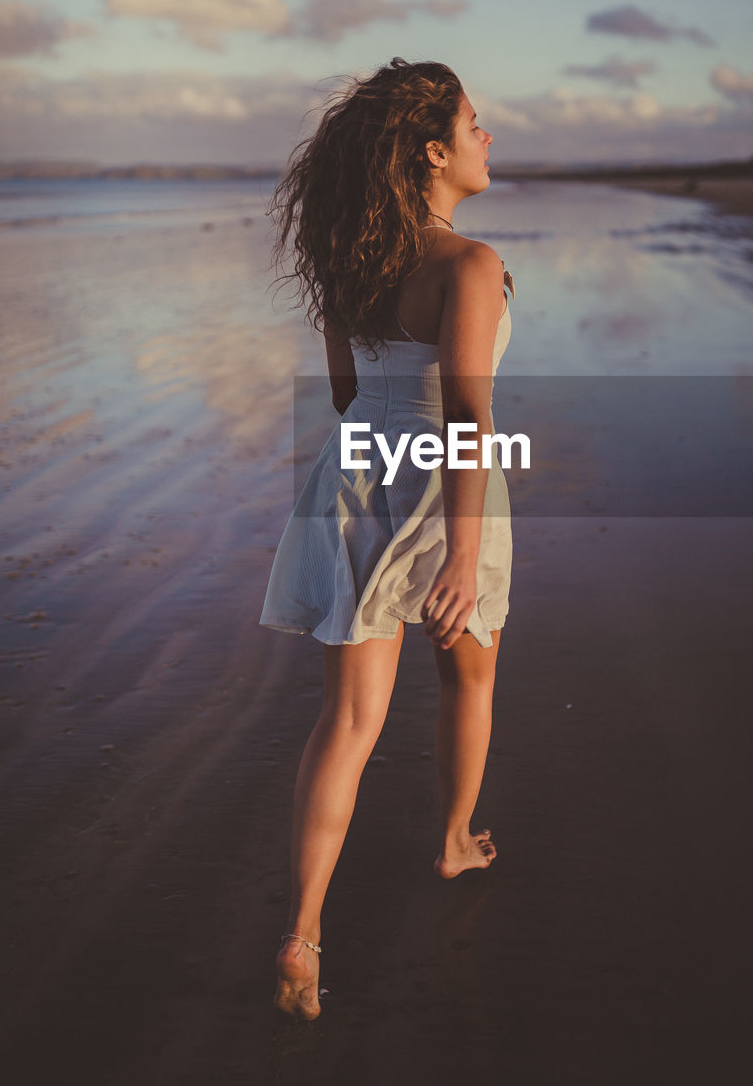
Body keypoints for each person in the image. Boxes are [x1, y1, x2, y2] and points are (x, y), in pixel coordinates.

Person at [259, 57, 514, 1020]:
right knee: (471, 673)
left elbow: (342, 396)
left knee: (349, 722)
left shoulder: (348, 260)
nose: (489, 137)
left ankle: (304, 930)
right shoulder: (471, 264)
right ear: (433, 152)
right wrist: (457, 548)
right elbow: (467, 420)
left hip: (350, 479)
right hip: (446, 496)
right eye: (475, 123)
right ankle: (453, 839)